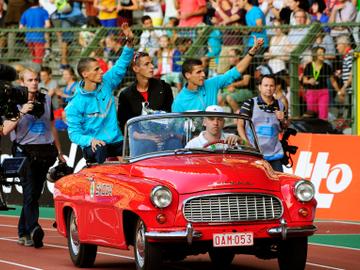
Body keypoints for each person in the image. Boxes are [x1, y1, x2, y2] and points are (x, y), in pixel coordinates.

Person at [2, 67, 65, 248]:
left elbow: (52, 126)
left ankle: (23, 232)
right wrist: (22, 112)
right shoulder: (12, 101)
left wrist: (59, 151)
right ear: (22, 83)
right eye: (30, 80)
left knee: (34, 194)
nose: (34, 83)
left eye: (36, 79)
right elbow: (6, 129)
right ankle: (34, 228)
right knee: (29, 192)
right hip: (24, 151)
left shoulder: (46, 99)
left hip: (44, 151)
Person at [65, 23, 134, 164]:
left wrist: (129, 42)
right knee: (100, 148)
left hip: (116, 140)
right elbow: (74, 134)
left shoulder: (106, 83)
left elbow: (121, 64)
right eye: (96, 69)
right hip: (95, 144)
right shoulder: (74, 104)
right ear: (85, 74)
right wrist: (90, 140)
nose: (101, 71)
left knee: (131, 158)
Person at [171, 37, 264, 112]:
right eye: (198, 72)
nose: (203, 74)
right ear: (188, 75)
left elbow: (238, 70)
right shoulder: (179, 101)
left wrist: (251, 52)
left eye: (203, 71)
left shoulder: (212, 83)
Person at [117, 51, 180, 156]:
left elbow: (169, 115)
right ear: (136, 69)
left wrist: (165, 134)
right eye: (146, 64)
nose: (152, 66)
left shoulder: (164, 88)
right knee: (146, 145)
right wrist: (147, 137)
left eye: (151, 63)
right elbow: (126, 126)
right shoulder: (126, 95)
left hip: (165, 135)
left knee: (176, 143)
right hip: (140, 140)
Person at [237, 74, 287, 172]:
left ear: (275, 87)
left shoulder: (281, 105)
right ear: (260, 87)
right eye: (266, 85)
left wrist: (283, 120)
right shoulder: (249, 103)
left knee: (277, 183)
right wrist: (246, 144)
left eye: (271, 86)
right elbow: (240, 125)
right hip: (254, 154)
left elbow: (284, 127)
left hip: (274, 154)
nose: (269, 88)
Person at [19, 0, 51, 65]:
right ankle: (37, 73)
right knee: (39, 58)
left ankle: (35, 71)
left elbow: (21, 27)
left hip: (29, 38)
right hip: (39, 38)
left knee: (34, 58)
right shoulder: (43, 11)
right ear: (38, 2)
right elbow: (48, 25)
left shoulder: (26, 12)